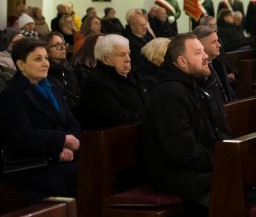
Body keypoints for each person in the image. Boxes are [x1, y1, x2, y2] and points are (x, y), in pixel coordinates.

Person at [142, 34, 230, 204]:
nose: (205, 56)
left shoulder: (195, 86)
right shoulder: (169, 94)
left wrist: (230, 157)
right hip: (175, 174)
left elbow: (218, 131)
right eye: (198, 53)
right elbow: (182, 150)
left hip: (198, 168)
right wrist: (221, 162)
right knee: (232, 192)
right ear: (181, 62)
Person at [0, 38, 81, 203]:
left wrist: (70, 144)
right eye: (38, 59)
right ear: (21, 65)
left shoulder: (52, 87)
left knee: (98, 168)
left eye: (46, 58)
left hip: (59, 157)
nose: (46, 63)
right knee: (80, 177)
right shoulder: (12, 95)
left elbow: (72, 122)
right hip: (32, 165)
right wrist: (61, 142)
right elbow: (23, 137)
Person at [81, 34, 148, 129]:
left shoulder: (133, 73)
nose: (128, 59)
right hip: (120, 138)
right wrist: (148, 116)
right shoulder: (96, 82)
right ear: (105, 59)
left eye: (128, 53)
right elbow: (116, 117)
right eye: (122, 55)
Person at [193, 25, 237, 107]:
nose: (219, 45)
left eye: (218, 40)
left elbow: (227, 91)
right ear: (200, 45)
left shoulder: (218, 61)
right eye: (214, 42)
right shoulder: (198, 70)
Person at [45, 32, 82, 113]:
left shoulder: (67, 68)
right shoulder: (46, 72)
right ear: (47, 49)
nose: (63, 48)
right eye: (57, 45)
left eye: (64, 44)